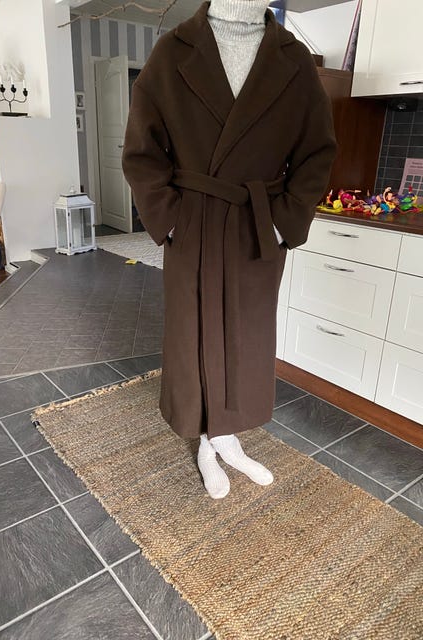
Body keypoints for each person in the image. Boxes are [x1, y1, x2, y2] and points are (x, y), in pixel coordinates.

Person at [122, 0, 337, 499]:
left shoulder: (293, 59)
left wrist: (283, 222)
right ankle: (206, 440)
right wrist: (169, 218)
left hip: (257, 224)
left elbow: (317, 152)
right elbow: (141, 151)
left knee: (247, 333)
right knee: (193, 333)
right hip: (192, 220)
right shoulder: (172, 52)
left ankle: (227, 435)